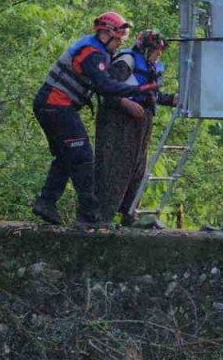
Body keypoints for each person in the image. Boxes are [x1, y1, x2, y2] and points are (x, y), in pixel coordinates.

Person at [32, 12, 157, 230]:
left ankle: (46, 203)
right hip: (56, 105)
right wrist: (137, 89)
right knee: (82, 158)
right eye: (118, 38)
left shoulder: (97, 50)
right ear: (106, 32)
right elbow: (105, 86)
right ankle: (89, 216)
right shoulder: (92, 53)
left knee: (65, 157)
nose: (119, 44)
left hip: (52, 106)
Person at [95, 30, 176, 227]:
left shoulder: (151, 67)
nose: (159, 55)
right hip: (119, 121)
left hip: (141, 123)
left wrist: (172, 99)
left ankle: (129, 214)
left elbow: (153, 96)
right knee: (115, 167)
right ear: (146, 48)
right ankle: (102, 217)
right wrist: (124, 103)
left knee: (137, 168)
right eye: (157, 50)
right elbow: (105, 89)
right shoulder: (126, 61)